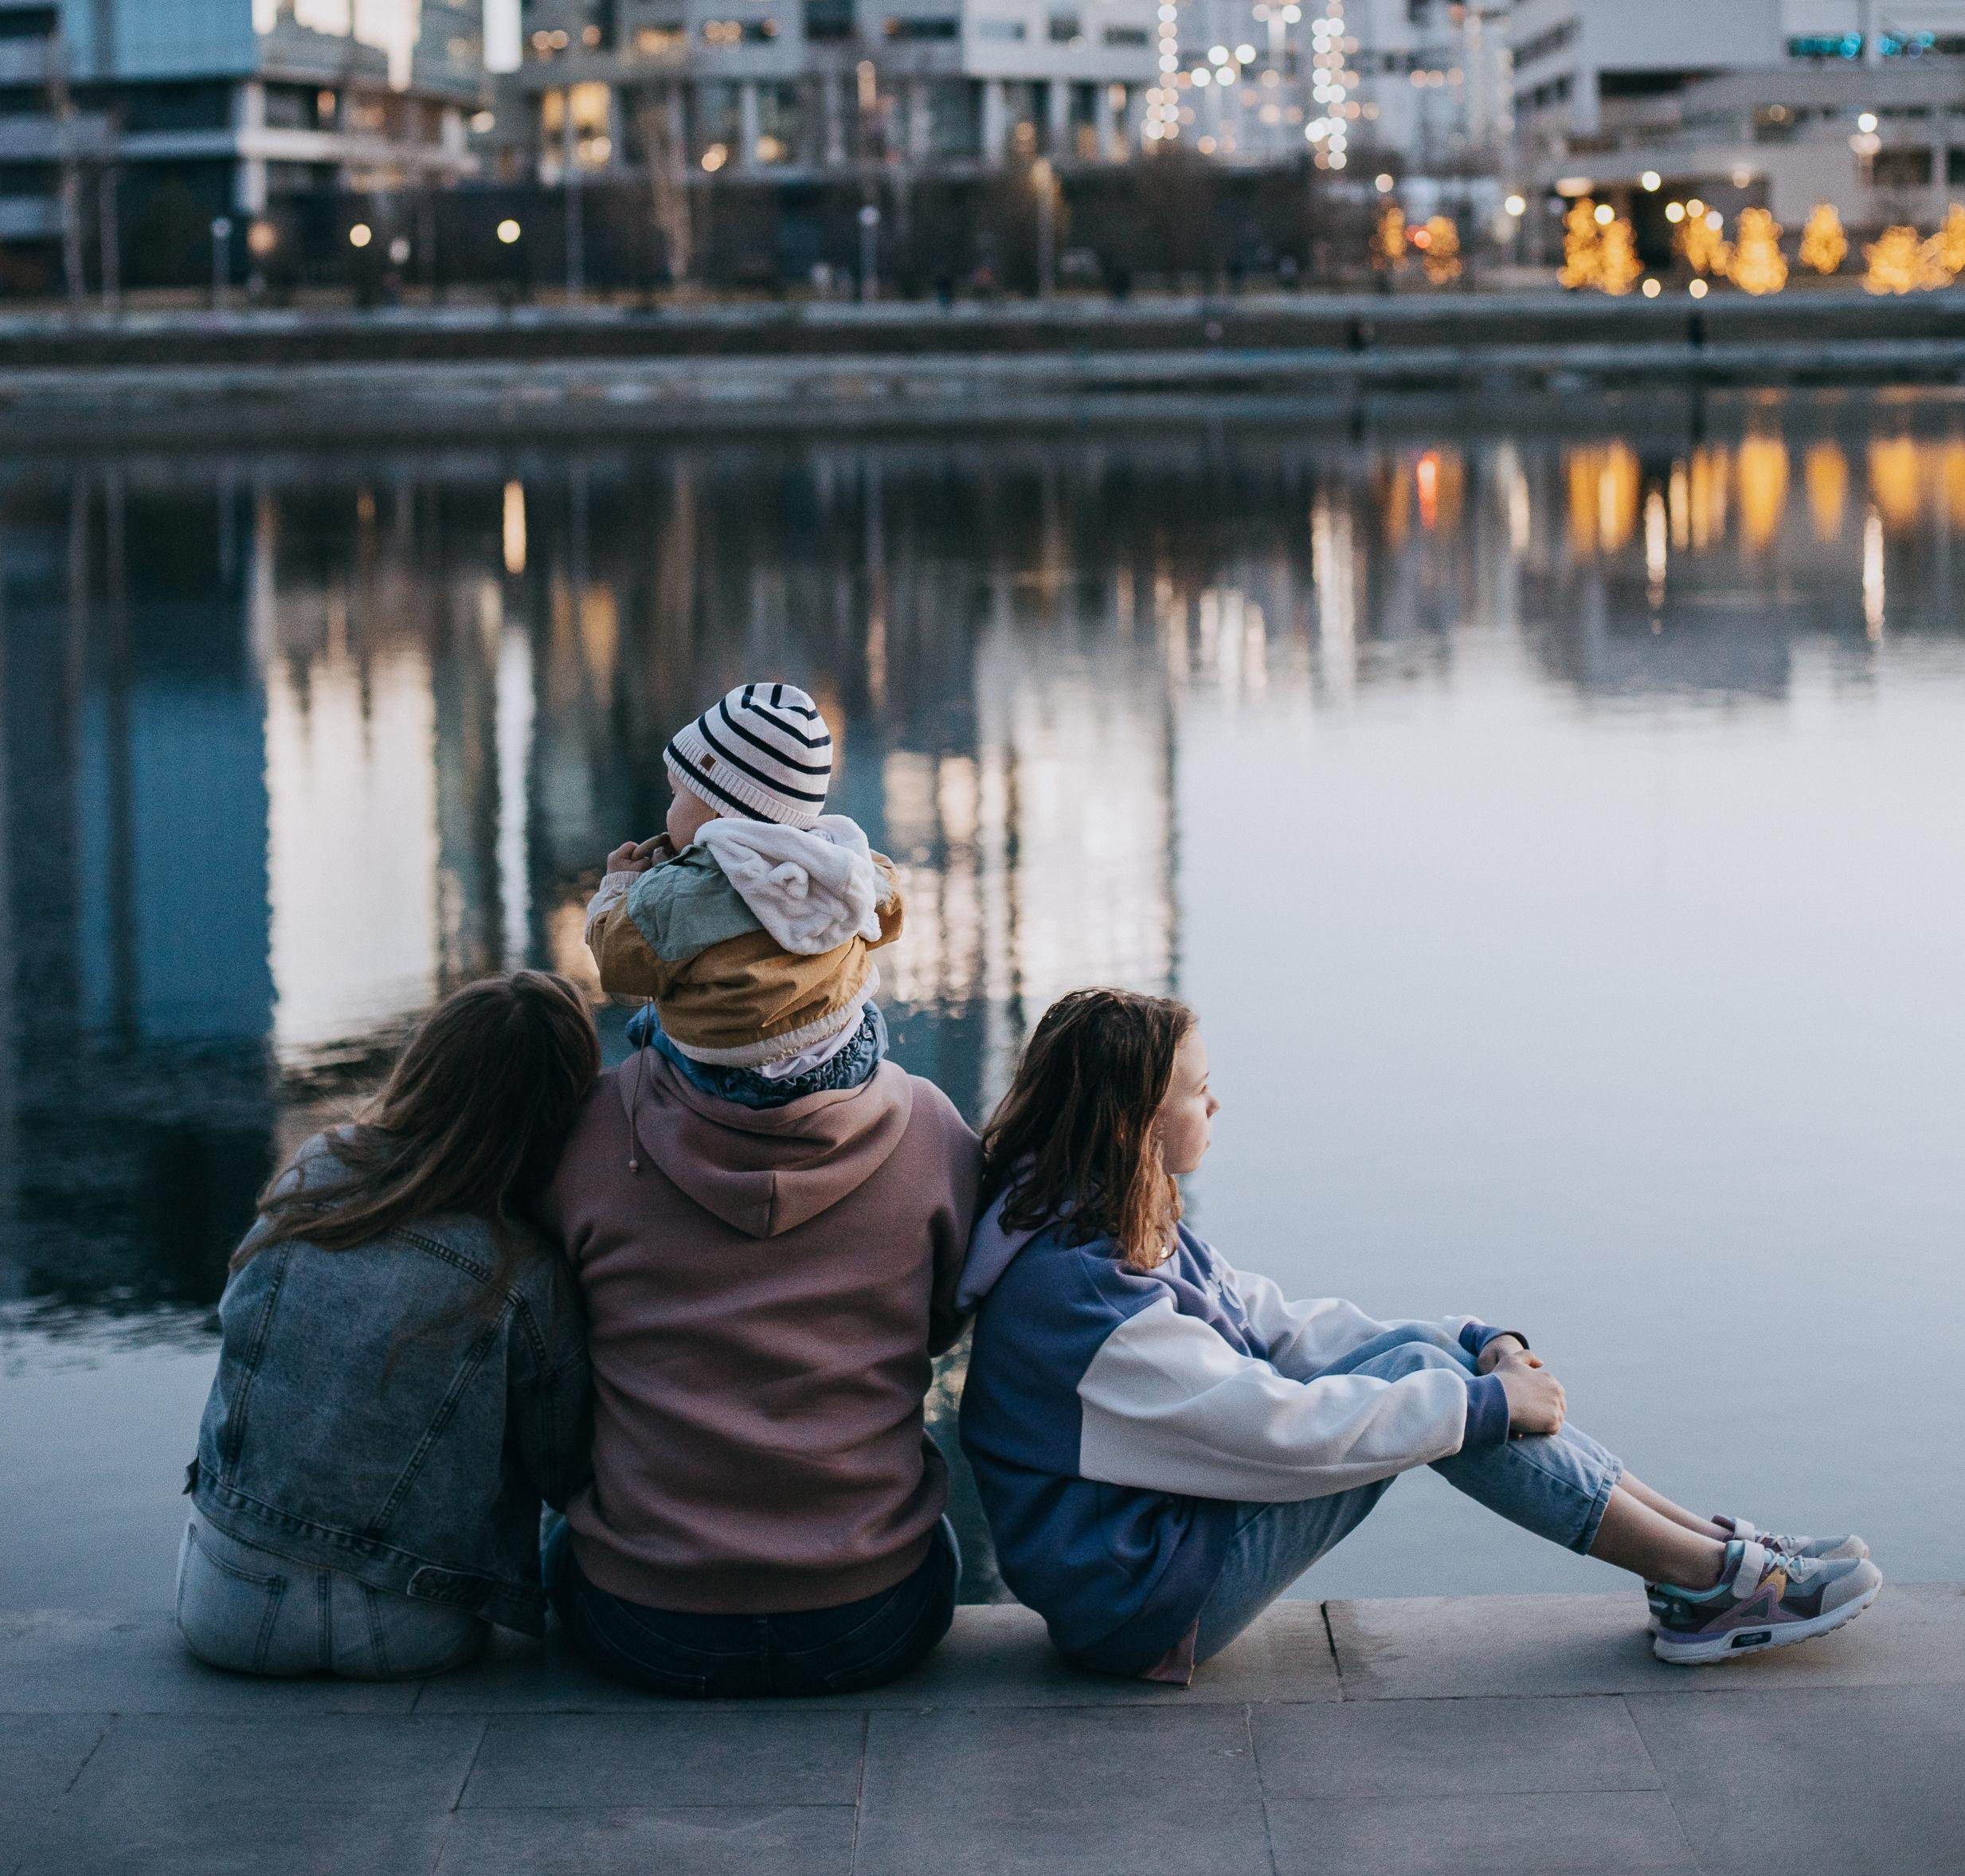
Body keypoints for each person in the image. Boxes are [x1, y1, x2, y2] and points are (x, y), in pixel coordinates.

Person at [959, 989, 1879, 1680]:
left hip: (1160, 1547)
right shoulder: (1082, 1301)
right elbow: (1275, 1426)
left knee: (1428, 1369)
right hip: (1139, 1604)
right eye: (1200, 1092)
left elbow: (1279, 1325)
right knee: (1428, 1396)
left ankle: (1705, 1556)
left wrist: (1472, 1339)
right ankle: (1708, 1581)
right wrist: (1479, 1404)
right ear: (1133, 1123)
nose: (1217, 1106)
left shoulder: (1099, 1218)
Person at [543, 683, 979, 1697]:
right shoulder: (930, 1134)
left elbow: (546, 1318)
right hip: (874, 1617)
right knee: (943, 1551)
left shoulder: (591, 1135)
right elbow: (952, 1316)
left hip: (646, 1624)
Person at [177, 971, 598, 1681]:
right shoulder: (522, 1271)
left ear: (423, 1070)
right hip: (405, 1627)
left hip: (225, 1609)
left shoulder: (317, 1173)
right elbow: (565, 1469)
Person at [582, 678, 902, 1091]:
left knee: (645, 1023)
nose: (668, 809)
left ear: (718, 811)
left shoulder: (676, 894)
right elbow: (888, 918)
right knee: (866, 1010)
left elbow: (619, 965)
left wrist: (621, 888)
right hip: (850, 1051)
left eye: (676, 793)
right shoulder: (842, 864)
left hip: (731, 1072)